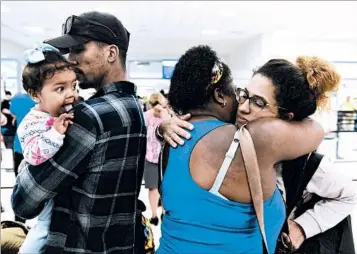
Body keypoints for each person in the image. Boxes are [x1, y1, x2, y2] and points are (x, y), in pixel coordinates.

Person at [159, 55, 356, 253]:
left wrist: (302, 227)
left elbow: (350, 194)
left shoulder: (303, 162)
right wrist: (163, 128)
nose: (243, 107)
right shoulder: (230, 136)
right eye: (244, 95)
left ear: (286, 119)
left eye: (258, 103)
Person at [12, 11, 147, 253]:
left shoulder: (88, 115)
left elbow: (24, 203)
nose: (71, 59)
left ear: (111, 53)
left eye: (79, 49)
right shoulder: (134, 106)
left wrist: (25, 167)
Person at [17, 44, 79, 253]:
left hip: (59, 185)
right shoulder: (33, 122)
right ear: (35, 95)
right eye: (60, 89)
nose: (71, 94)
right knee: (43, 228)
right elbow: (34, 156)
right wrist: (55, 133)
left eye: (74, 86)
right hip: (41, 185)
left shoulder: (57, 113)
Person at [144, 92, 169, 225]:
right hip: (164, 157)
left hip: (150, 157)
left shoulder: (146, 115)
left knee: (152, 188)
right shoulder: (166, 115)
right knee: (164, 187)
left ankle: (154, 215)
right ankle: (163, 212)